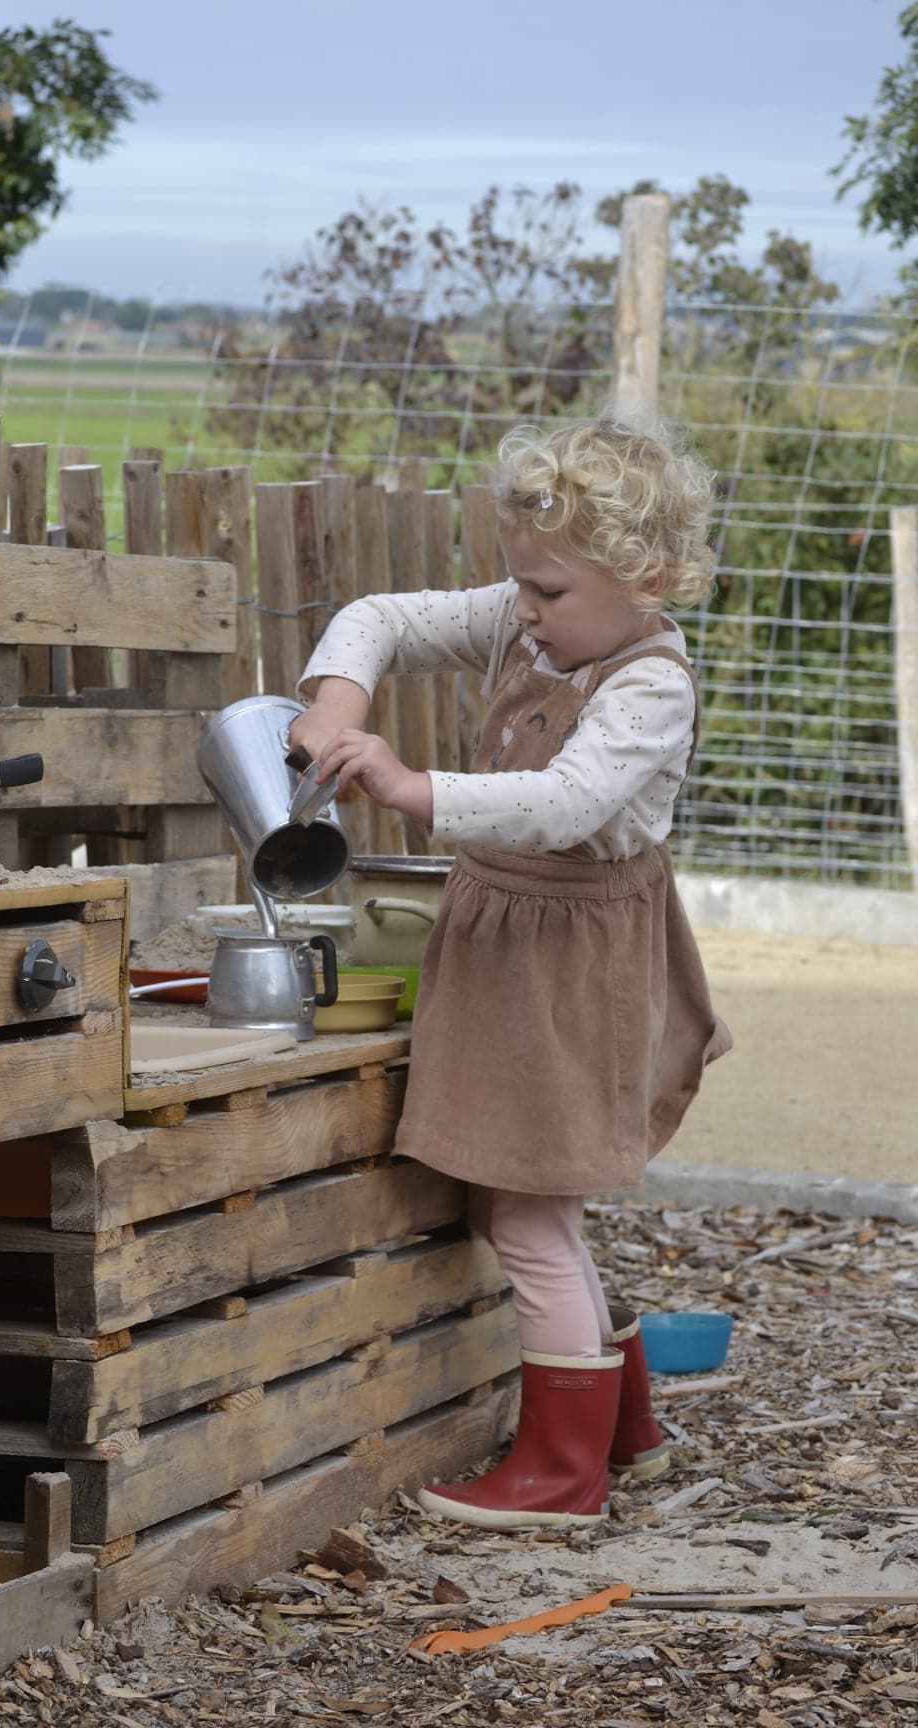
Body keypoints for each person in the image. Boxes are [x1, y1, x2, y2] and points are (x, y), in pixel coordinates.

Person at [288, 413, 732, 1531]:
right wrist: (339, 703)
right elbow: (378, 617)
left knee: (528, 1212)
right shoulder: (528, 622)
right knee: (537, 1201)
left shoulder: (649, 686)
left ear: (649, 578)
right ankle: (623, 1434)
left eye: (549, 593)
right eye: (518, 585)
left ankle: (559, 1476)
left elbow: (566, 803)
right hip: (505, 942)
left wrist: (410, 784)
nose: (524, 611)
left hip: (572, 964)